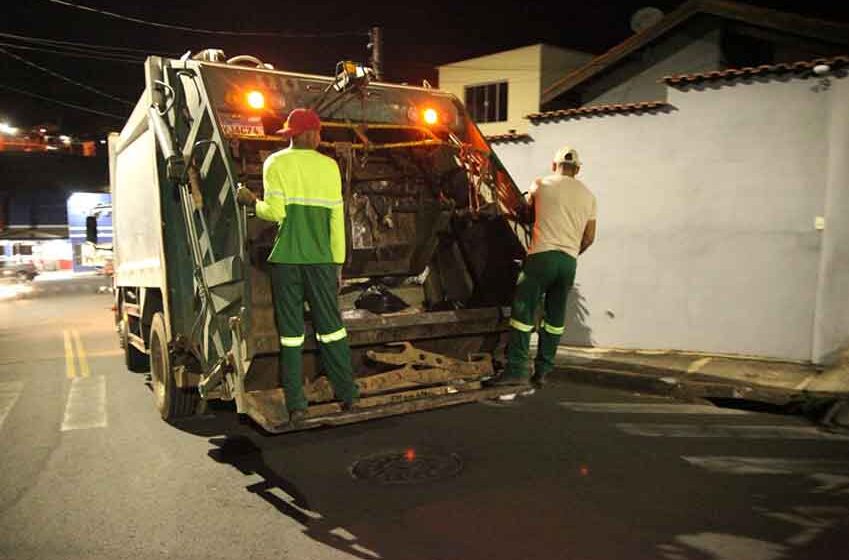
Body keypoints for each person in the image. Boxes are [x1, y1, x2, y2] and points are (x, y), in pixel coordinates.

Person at [237, 108, 359, 426]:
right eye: (318, 133)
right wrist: (338, 264)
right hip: (321, 261)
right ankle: (348, 396)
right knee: (332, 330)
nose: (319, 138)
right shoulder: (330, 167)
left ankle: (297, 406)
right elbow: (336, 220)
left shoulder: (275, 163)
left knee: (290, 335)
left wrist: (250, 202)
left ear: (293, 134)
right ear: (311, 135)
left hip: (287, 262)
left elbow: (275, 213)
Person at [492, 145, 597, 388]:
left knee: (523, 311)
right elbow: (590, 237)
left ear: (554, 166)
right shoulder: (589, 196)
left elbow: (523, 211)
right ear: (577, 169)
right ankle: (543, 371)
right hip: (568, 262)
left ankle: (516, 369)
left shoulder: (541, 184)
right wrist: (571, 252)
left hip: (541, 257)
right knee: (555, 317)